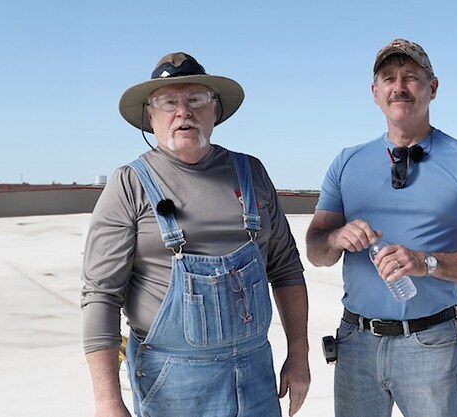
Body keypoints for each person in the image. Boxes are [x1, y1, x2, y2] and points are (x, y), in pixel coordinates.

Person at [81, 52, 310, 417]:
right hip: (173, 383)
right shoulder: (129, 184)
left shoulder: (251, 172)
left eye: (196, 99)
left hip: (256, 375)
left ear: (214, 109)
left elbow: (286, 269)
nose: (183, 111)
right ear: (150, 116)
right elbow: (101, 295)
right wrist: (107, 400)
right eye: (167, 102)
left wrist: (299, 355)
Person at [306, 39, 457, 417]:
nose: (399, 87)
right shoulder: (346, 162)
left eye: (411, 76)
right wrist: (334, 238)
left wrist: (425, 262)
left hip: (429, 344)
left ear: (433, 87)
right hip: (355, 343)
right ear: (375, 93)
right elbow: (316, 252)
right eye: (388, 78)